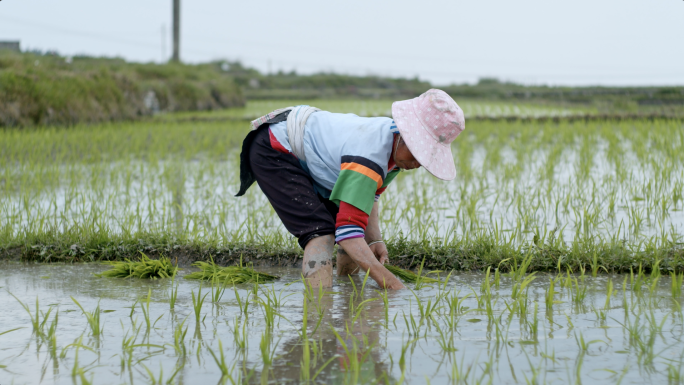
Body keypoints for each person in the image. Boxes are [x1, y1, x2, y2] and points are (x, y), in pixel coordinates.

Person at [236, 89, 465, 289]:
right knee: (321, 233)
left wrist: (374, 240)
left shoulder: (395, 154)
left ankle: (348, 297)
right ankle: (319, 315)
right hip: (276, 148)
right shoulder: (371, 155)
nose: (417, 164)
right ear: (404, 137)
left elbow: (369, 197)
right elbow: (348, 233)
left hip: (310, 152)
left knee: (357, 237)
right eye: (417, 153)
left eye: (424, 158)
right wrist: (391, 283)